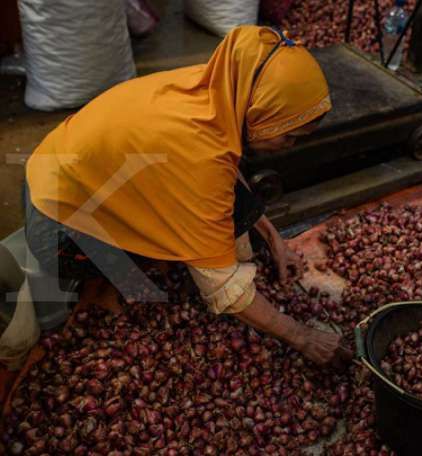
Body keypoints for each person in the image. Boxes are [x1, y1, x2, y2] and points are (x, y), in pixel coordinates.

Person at [24, 25, 351, 368]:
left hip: (56, 170)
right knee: (173, 260)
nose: (289, 148)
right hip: (59, 229)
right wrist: (303, 337)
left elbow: (226, 175)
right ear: (260, 111)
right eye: (289, 137)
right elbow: (224, 289)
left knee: (215, 213)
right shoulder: (197, 156)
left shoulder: (215, 87)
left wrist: (273, 240)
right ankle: (97, 283)